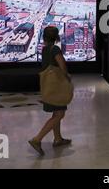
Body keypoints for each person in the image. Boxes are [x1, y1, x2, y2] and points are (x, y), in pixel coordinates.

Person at [29, 26, 72, 156]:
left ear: (45, 37)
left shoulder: (45, 49)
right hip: (56, 86)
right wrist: (67, 77)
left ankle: (58, 139)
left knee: (56, 113)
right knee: (60, 114)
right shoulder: (55, 49)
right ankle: (37, 139)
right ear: (56, 37)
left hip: (48, 86)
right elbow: (62, 66)